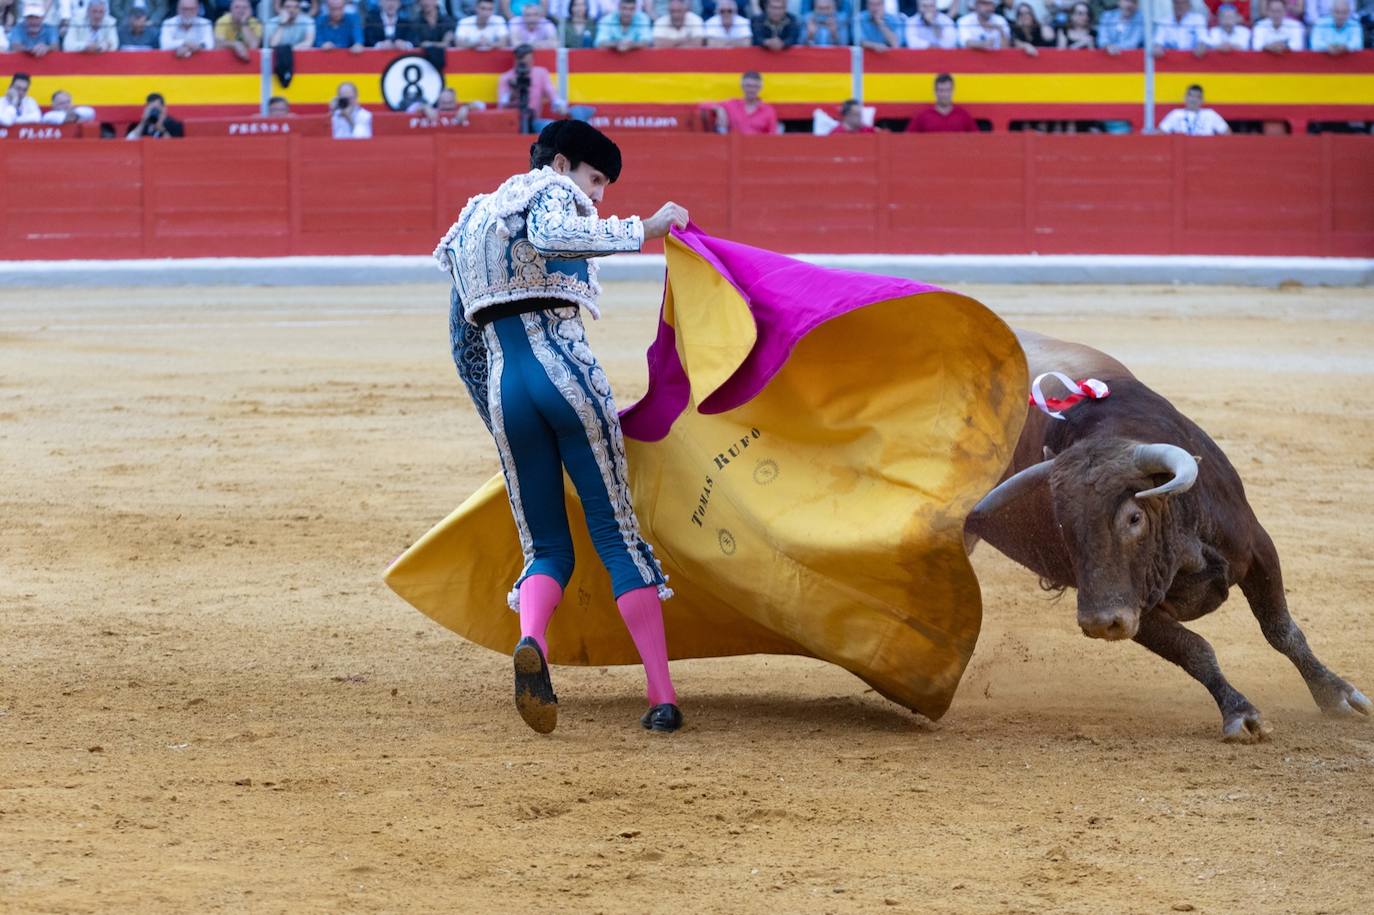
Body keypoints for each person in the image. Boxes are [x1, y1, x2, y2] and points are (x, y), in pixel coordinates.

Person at [433, 120, 689, 735]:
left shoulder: (471, 224)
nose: (596, 196)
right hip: (566, 375)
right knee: (616, 535)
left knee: (545, 547)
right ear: (561, 164)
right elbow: (551, 233)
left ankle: (534, 643)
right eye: (594, 180)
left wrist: (501, 424)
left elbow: (462, 343)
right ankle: (661, 697)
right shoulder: (549, 192)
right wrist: (645, 229)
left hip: (506, 389)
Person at [499, 43, 566, 132]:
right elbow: (502, 105)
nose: (525, 64)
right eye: (522, 60)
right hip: (512, 122)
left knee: (552, 128)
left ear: (532, 60)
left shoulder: (541, 73)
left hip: (534, 120)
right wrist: (513, 93)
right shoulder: (506, 77)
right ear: (516, 60)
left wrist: (559, 105)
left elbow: (552, 93)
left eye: (528, 60)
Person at [906, 72, 979, 132]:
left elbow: (977, 139)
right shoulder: (923, 116)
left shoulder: (963, 116)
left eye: (947, 90)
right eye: (941, 90)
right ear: (935, 92)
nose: (944, 94)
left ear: (952, 91)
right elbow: (907, 139)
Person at [712, 70, 779, 134]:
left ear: (760, 87)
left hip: (758, 142)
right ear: (742, 86)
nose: (751, 89)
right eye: (748, 86)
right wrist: (719, 109)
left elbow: (773, 136)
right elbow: (706, 105)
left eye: (755, 86)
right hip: (735, 142)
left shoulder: (768, 111)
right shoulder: (732, 104)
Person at [1157, 83, 1230, 134]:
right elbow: (1160, 133)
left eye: (1197, 97)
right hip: (1181, 150)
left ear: (1202, 100)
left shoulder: (1210, 114)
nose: (1193, 100)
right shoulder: (1176, 114)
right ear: (1185, 97)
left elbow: (1227, 133)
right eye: (1191, 96)